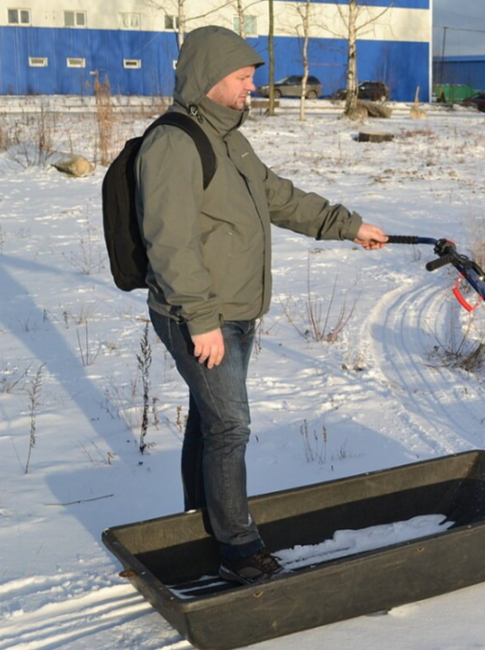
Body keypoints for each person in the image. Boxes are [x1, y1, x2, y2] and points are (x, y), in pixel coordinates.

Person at [135, 25, 388, 585]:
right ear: (209, 79)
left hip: (235, 311)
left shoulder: (230, 137)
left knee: (210, 421)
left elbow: (278, 196)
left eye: (252, 77)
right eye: (243, 78)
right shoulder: (173, 143)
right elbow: (169, 242)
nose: (253, 86)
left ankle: (201, 522)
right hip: (198, 313)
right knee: (230, 427)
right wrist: (201, 320)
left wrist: (346, 226)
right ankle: (238, 549)